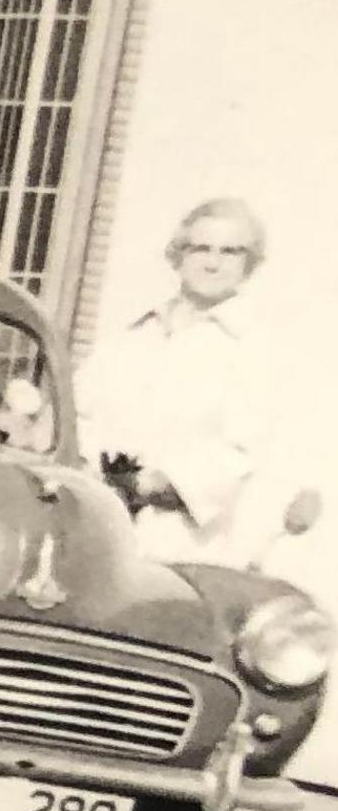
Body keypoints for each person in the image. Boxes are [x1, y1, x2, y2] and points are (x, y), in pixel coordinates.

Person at [78, 198, 284, 565]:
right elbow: (81, 407)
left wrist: (154, 485)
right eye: (200, 248)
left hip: (184, 544)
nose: (212, 262)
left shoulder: (252, 346)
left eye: (231, 251)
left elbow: (240, 454)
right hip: (97, 520)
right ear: (178, 254)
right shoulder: (138, 330)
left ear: (249, 262)